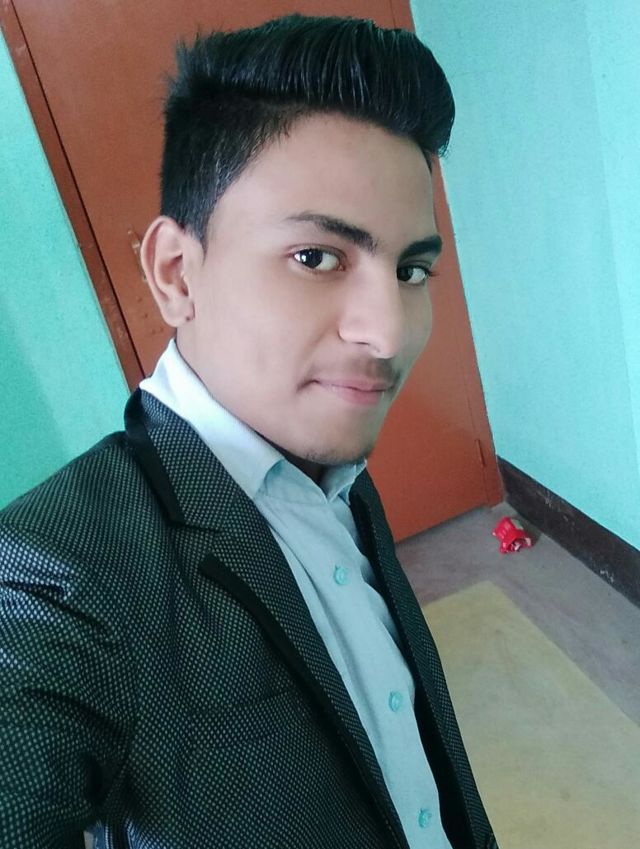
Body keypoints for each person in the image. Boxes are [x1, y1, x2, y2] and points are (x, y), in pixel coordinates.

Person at [0, 13, 498, 849]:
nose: (389, 331)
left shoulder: (331, 471)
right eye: (316, 257)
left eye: (412, 269)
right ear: (176, 273)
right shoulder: (55, 578)